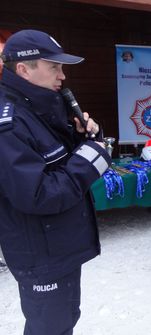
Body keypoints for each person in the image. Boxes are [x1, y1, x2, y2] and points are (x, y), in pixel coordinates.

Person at [0, 30, 110, 335]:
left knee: (65, 320)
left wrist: (82, 137)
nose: (62, 75)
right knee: (49, 328)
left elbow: (55, 161)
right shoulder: (8, 123)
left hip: (60, 246)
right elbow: (37, 194)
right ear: (23, 69)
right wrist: (89, 159)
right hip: (40, 254)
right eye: (54, 67)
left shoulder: (41, 105)